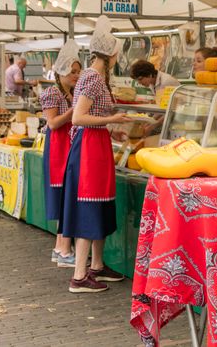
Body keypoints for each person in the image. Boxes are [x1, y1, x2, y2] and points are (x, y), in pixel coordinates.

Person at [62, 16, 132, 293]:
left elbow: (92, 116)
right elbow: (79, 118)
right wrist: (113, 118)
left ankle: (97, 267)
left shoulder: (95, 77)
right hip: (88, 150)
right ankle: (79, 276)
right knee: (89, 204)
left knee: (100, 203)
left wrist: (111, 130)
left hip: (97, 144)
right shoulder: (92, 79)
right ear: (111, 53)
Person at [40, 40, 82, 268]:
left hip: (70, 147)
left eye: (78, 71)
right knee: (66, 200)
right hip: (59, 150)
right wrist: (74, 113)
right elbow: (53, 123)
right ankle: (64, 249)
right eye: (72, 72)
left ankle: (61, 248)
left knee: (68, 199)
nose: (76, 75)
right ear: (62, 72)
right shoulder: (52, 93)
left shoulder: (74, 93)